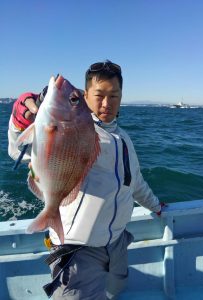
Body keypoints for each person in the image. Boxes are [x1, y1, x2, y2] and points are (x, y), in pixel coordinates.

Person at [8, 60, 163, 300]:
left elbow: (135, 182)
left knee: (114, 291)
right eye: (99, 95)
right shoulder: (74, 128)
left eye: (114, 96)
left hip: (116, 244)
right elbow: (19, 148)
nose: (106, 103)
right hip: (78, 250)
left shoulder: (123, 138)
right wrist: (20, 118)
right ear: (85, 95)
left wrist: (155, 205)